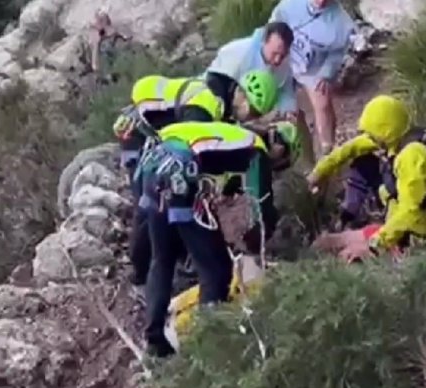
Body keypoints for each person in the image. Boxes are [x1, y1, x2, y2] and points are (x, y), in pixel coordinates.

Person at [136, 121, 302, 357]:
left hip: (153, 165)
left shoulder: (229, 135)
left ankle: (155, 342)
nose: (277, 166)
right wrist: (258, 243)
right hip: (180, 172)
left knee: (162, 258)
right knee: (217, 269)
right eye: (282, 160)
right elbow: (262, 205)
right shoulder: (256, 148)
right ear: (279, 145)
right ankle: (209, 341)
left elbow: (227, 186)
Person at [112, 70, 280, 297]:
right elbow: (186, 147)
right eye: (250, 108)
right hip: (139, 134)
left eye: (255, 114)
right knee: (152, 205)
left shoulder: (218, 103)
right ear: (240, 93)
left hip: (154, 136)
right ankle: (140, 275)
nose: (248, 116)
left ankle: (170, 264)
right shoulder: (206, 104)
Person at [306, 95, 426, 260]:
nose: (368, 138)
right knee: (326, 242)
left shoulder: (413, 159)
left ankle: (365, 236)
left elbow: (409, 211)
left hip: (416, 233)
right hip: (406, 224)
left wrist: (375, 245)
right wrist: (317, 174)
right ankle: (350, 218)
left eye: (371, 134)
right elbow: (349, 149)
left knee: (344, 253)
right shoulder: (401, 137)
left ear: (384, 132)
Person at [207, 21, 317, 168]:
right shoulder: (240, 52)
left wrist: (289, 111)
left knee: (295, 121)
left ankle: (310, 168)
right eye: (274, 54)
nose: (278, 59)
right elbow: (215, 80)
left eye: (283, 55)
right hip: (226, 101)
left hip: (258, 110)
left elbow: (286, 91)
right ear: (265, 41)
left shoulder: (283, 65)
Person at [269, 0, 355, 157]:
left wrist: (326, 72)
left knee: (323, 104)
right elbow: (273, 27)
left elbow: (337, 53)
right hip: (287, 59)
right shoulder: (289, 5)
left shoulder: (341, 23)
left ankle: (326, 152)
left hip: (315, 67)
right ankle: (304, 155)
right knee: (291, 111)